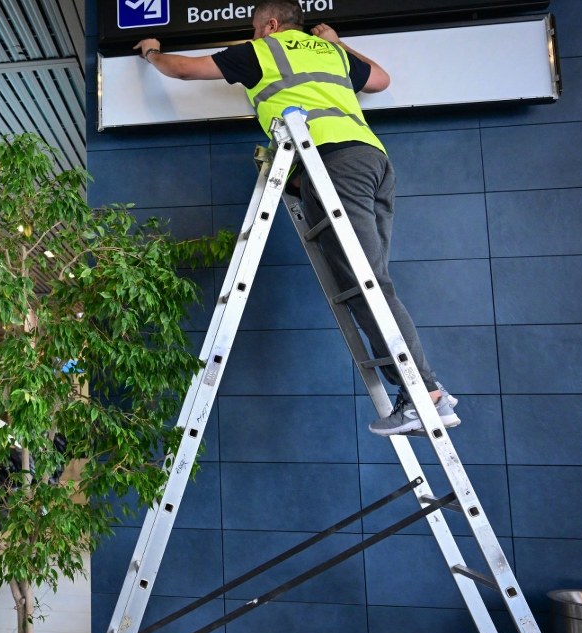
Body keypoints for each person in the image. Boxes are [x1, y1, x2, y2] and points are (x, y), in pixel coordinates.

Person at [133, 0, 459, 436]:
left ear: (270, 24)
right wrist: (339, 43)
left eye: (254, 28)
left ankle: (426, 395)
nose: (252, 36)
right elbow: (380, 80)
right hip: (372, 161)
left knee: (366, 287)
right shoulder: (330, 52)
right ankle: (425, 392)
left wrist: (152, 52)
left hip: (331, 164)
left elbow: (184, 70)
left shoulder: (264, 50)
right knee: (372, 282)